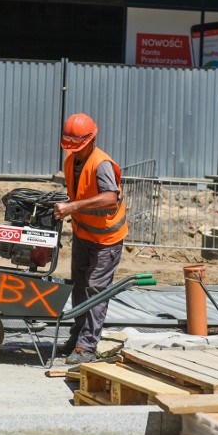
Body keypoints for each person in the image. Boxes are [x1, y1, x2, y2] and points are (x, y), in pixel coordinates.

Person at [53, 113, 128, 365]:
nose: (75, 151)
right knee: (79, 285)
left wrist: (72, 207)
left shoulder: (102, 164)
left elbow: (110, 198)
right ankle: (77, 338)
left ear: (92, 140)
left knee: (95, 288)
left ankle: (87, 346)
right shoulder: (71, 159)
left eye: (79, 146)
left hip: (106, 239)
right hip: (83, 233)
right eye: (71, 146)